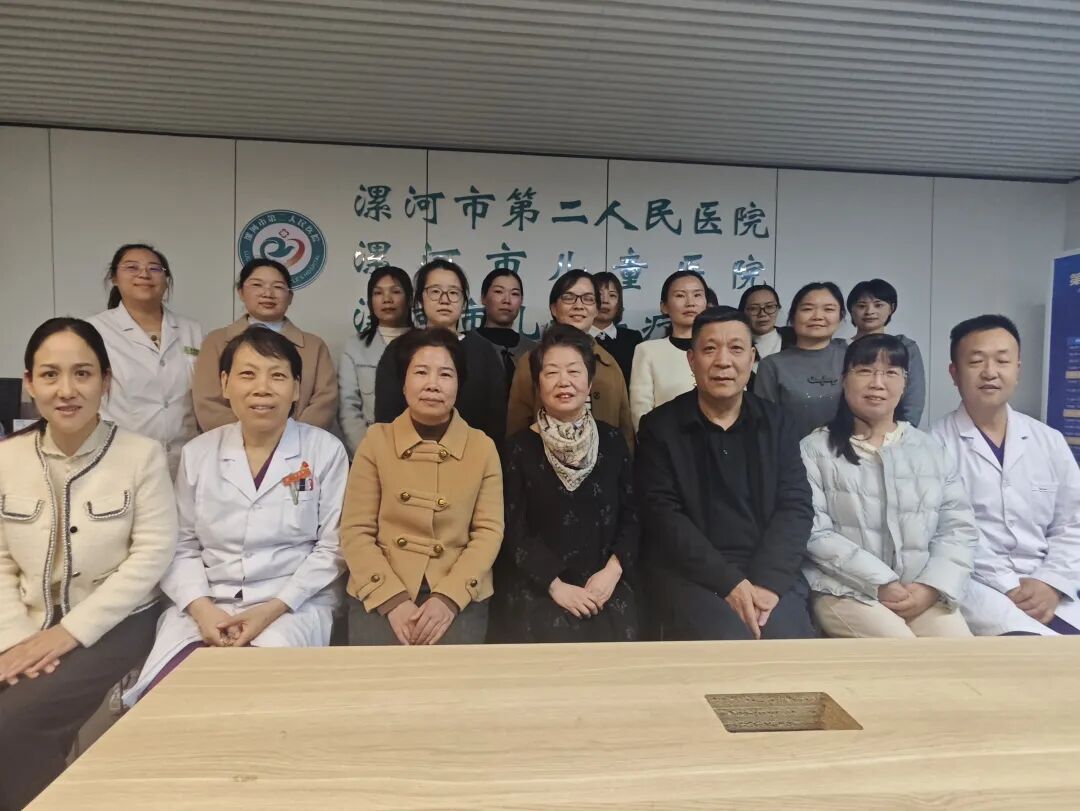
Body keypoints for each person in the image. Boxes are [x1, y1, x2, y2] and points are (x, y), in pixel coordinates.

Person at [0, 318, 176, 810]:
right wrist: (15, 640)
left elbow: (152, 554)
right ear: (29, 382)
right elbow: (1, 561)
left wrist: (68, 633)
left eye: (82, 373)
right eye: (50, 375)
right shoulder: (7, 459)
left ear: (105, 381)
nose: (67, 390)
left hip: (117, 622)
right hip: (25, 621)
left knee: (12, 724)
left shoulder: (141, 456)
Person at [125, 327, 348, 704]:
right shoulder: (198, 453)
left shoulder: (325, 451)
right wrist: (202, 610)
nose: (262, 388)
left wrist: (269, 611)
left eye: (277, 376)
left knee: (255, 697)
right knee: (171, 698)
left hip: (290, 605)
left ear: (296, 388)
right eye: (248, 374)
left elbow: (332, 548)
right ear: (225, 384)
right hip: (208, 601)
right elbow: (179, 544)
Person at [636, 307, 816, 641]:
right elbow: (663, 516)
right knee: (728, 641)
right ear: (692, 360)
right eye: (709, 349)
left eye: (735, 349)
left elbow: (796, 505)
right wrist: (729, 583)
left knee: (789, 644)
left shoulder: (778, 422)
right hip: (691, 574)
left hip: (767, 567)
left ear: (752, 358)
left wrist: (767, 583)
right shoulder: (660, 427)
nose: (723, 361)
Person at [801, 334, 976, 638]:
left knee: (959, 652)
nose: (877, 383)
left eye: (891, 372)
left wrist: (931, 587)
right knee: (900, 649)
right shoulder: (815, 449)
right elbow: (814, 533)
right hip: (842, 589)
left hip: (920, 590)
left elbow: (958, 528)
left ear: (905, 383)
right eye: (865, 371)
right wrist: (881, 583)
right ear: (844, 380)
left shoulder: (930, 449)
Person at [343, 328, 503, 646]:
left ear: (458, 385)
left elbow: (488, 532)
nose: (432, 384)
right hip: (381, 589)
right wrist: (392, 599)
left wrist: (449, 597)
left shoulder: (482, 447)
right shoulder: (375, 442)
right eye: (420, 372)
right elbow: (355, 530)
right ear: (403, 384)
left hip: (457, 593)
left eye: (445, 374)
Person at [932, 315, 1080, 636]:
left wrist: (1052, 582)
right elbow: (947, 533)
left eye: (1002, 361)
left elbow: (1073, 523)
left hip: (1051, 584)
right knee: (1032, 648)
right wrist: (1010, 586)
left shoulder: (1049, 440)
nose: (990, 372)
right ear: (954, 373)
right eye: (976, 361)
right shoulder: (932, 445)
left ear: (1017, 369)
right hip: (977, 584)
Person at [496, 325, 638, 643]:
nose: (564, 381)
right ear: (538, 384)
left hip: (605, 582)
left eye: (574, 371)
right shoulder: (518, 449)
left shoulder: (613, 441)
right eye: (551, 372)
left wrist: (612, 572)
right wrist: (555, 586)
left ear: (589, 383)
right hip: (540, 587)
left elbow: (633, 515)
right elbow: (513, 529)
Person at [87, 244, 203, 479]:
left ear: (166, 280)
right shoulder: (94, 330)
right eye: (132, 267)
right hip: (120, 461)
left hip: (184, 461)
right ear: (114, 278)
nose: (144, 274)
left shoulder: (192, 330)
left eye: (154, 268)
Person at [192, 258, 338, 432]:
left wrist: (290, 438)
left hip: (301, 444)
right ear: (241, 292)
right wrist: (250, 439)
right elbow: (208, 403)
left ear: (290, 297)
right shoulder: (216, 341)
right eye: (257, 285)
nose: (268, 293)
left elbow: (325, 401)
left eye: (278, 287)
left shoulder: (314, 346)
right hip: (231, 445)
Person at [374, 259, 506, 443]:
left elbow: (496, 419)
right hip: (406, 452)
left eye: (453, 292)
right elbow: (386, 415)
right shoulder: (400, 348)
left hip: (470, 454)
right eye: (435, 291)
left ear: (464, 302)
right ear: (420, 299)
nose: (445, 300)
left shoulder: (484, 351)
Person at [507, 270, 635, 453]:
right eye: (569, 297)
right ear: (554, 308)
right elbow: (516, 427)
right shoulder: (530, 361)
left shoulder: (609, 364)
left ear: (596, 309)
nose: (579, 305)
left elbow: (626, 431)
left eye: (588, 299)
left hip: (604, 465)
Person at [754, 281, 847, 439]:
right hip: (792, 451)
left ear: (840, 317)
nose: (817, 316)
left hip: (850, 451)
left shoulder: (853, 358)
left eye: (829, 309)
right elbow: (765, 426)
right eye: (807, 309)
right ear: (793, 316)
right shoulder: (772, 365)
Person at [338, 265, 414, 454]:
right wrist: (368, 452)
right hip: (369, 449)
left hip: (417, 449)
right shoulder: (355, 346)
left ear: (410, 299)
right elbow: (348, 406)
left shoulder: (425, 343)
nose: (387, 299)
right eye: (378, 293)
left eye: (395, 291)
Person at [629, 270, 707, 429]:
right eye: (680, 295)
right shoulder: (647, 351)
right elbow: (640, 413)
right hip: (665, 441)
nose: (690, 303)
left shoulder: (722, 351)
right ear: (664, 306)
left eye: (697, 295)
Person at [847, 278, 926, 426]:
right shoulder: (839, 348)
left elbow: (913, 402)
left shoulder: (905, 347)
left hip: (894, 431)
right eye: (861, 306)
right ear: (851, 310)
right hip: (842, 429)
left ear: (891, 308)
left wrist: (902, 435)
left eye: (878, 305)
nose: (869, 311)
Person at [473, 268, 537, 394]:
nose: (507, 300)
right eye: (498, 291)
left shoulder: (534, 351)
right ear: (483, 297)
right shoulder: (465, 344)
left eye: (514, 294)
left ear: (521, 301)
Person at [591, 271, 642, 389]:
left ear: (619, 303)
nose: (605, 301)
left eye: (612, 295)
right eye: (599, 294)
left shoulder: (633, 339)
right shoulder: (576, 338)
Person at [738, 283, 795, 373]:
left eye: (769, 307)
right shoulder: (736, 343)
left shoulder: (795, 339)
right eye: (754, 308)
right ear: (743, 311)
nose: (762, 314)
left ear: (778, 309)